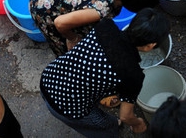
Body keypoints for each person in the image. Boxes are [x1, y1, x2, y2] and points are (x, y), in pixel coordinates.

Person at [41, 8, 169, 137]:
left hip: (49, 76)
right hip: (66, 106)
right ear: (151, 46)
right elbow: (125, 116)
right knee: (101, 124)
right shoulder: (133, 75)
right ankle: (110, 130)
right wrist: (137, 122)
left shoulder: (106, 26)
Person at [29, 0, 159, 56]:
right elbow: (60, 23)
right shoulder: (100, 9)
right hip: (43, 6)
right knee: (67, 47)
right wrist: (73, 38)